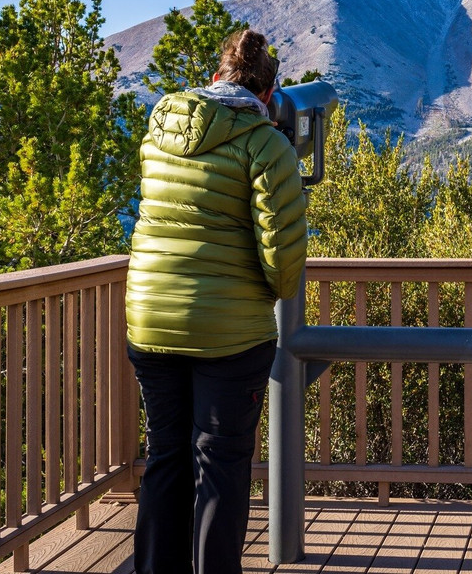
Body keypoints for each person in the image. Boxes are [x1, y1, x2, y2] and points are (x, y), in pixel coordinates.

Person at [125, 29, 307, 574]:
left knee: (166, 456)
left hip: (151, 320)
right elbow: (282, 256)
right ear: (268, 96)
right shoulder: (265, 144)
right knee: (220, 462)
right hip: (230, 334)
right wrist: (275, 290)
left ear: (213, 80)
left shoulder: (160, 129)